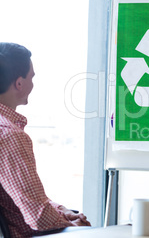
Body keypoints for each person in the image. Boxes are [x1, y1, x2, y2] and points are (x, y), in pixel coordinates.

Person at [0, 42, 91, 237]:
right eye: (32, 77)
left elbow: (29, 199)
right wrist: (76, 227)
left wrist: (63, 212)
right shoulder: (9, 136)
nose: (33, 83)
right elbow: (39, 218)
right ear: (19, 83)